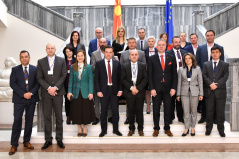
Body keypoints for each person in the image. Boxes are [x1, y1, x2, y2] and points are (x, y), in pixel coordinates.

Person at [8, 51, 39, 155]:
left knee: (29, 120)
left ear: (29, 58)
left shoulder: (35, 69)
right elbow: (12, 83)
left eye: (26, 57)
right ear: (20, 59)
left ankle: (26, 141)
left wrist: (31, 93)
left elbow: (37, 83)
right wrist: (23, 94)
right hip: (19, 99)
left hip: (31, 98)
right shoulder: (15, 69)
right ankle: (14, 144)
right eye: (22, 57)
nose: (24, 58)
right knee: (17, 120)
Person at [37, 43, 67, 150]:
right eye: (48, 48)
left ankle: (59, 139)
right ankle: (48, 139)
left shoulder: (61, 60)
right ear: (46, 50)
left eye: (52, 48)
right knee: (47, 117)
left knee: (59, 117)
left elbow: (64, 75)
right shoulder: (41, 62)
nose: (50, 50)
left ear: (55, 49)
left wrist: (55, 87)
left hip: (58, 93)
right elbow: (39, 77)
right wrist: (49, 88)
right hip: (46, 94)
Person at [148, 39, 177, 137]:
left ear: (166, 46)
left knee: (168, 109)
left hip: (168, 89)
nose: (161, 46)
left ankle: (167, 128)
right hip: (156, 89)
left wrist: (173, 88)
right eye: (159, 45)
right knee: (156, 109)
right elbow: (150, 75)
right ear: (157, 46)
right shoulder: (152, 58)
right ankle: (156, 128)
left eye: (163, 45)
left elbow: (174, 74)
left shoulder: (172, 58)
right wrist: (152, 88)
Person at [196, 30, 225, 124]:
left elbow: (222, 64)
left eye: (211, 35)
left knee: (216, 98)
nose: (209, 37)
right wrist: (202, 74)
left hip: (216, 79)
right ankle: (203, 116)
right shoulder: (201, 48)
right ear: (205, 37)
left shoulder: (220, 48)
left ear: (214, 36)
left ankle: (216, 118)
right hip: (204, 77)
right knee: (205, 98)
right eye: (207, 35)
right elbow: (198, 62)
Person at [94, 46, 123, 137]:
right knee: (103, 111)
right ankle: (103, 130)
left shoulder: (117, 63)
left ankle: (116, 129)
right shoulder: (99, 64)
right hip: (103, 91)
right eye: (107, 52)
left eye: (110, 52)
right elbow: (96, 79)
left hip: (114, 90)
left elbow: (120, 78)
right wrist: (98, 90)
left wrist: (120, 89)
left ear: (113, 53)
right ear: (104, 53)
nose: (108, 54)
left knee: (115, 111)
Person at [67, 50, 96, 137]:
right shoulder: (73, 67)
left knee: (86, 111)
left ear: (84, 57)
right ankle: (79, 128)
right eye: (78, 56)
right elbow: (71, 80)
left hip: (86, 92)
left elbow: (91, 80)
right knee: (77, 111)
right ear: (76, 57)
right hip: (76, 92)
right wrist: (69, 92)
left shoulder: (89, 67)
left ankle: (85, 127)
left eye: (82, 56)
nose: (80, 57)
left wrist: (91, 92)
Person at [203, 46, 229, 137]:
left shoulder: (225, 65)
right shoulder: (206, 64)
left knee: (220, 112)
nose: (215, 54)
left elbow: (225, 77)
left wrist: (216, 85)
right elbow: (204, 76)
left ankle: (221, 130)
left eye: (216, 52)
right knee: (209, 111)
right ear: (211, 54)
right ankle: (208, 129)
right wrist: (210, 84)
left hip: (220, 93)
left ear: (220, 53)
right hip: (209, 92)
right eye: (213, 52)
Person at [121, 50, 148, 136]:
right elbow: (123, 79)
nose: (134, 56)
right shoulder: (124, 66)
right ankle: (131, 129)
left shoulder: (143, 65)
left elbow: (145, 79)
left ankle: (140, 129)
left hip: (139, 92)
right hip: (129, 92)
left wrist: (138, 88)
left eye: (136, 54)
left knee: (140, 112)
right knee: (130, 111)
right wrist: (131, 88)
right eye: (132, 55)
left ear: (138, 56)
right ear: (129, 56)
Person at [120, 37, 146, 124]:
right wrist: (131, 87)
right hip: (128, 85)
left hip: (139, 84)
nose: (131, 44)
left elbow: (144, 67)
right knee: (129, 106)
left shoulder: (141, 53)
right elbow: (121, 68)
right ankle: (129, 118)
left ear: (136, 44)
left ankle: (139, 120)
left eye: (133, 42)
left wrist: (138, 87)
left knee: (139, 107)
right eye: (130, 42)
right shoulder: (123, 54)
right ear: (128, 44)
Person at [176, 53, 203, 137]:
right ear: (184, 60)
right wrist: (178, 94)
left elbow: (200, 82)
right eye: (186, 58)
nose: (187, 60)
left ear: (192, 59)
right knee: (186, 111)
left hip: (195, 92)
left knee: (194, 111)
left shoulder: (197, 69)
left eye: (189, 58)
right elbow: (179, 82)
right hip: (184, 92)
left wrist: (201, 93)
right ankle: (186, 128)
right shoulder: (181, 69)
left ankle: (193, 128)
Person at [166, 36, 188, 123]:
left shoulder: (185, 53)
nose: (178, 44)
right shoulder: (167, 53)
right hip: (171, 79)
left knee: (181, 98)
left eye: (179, 42)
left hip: (183, 79)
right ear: (172, 43)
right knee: (171, 99)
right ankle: (171, 117)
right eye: (176, 42)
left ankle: (180, 117)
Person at [91, 38, 112, 125]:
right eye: (101, 42)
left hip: (109, 80)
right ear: (98, 43)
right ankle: (97, 117)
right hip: (98, 80)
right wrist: (103, 71)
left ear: (106, 43)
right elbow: (93, 66)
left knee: (109, 98)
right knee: (97, 99)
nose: (103, 44)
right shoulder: (94, 54)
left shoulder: (110, 53)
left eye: (104, 42)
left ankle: (110, 116)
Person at [144, 36, 158, 114]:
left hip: (156, 73)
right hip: (147, 73)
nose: (150, 42)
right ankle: (148, 107)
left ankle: (157, 106)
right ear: (147, 42)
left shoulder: (158, 50)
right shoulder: (144, 51)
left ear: (154, 42)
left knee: (156, 89)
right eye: (149, 41)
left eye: (152, 41)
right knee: (148, 90)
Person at [63, 46, 76, 125]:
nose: (69, 53)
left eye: (70, 51)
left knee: (74, 102)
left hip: (75, 85)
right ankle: (68, 117)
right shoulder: (62, 61)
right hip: (65, 84)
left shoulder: (76, 61)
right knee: (67, 101)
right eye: (67, 51)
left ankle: (74, 117)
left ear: (72, 52)